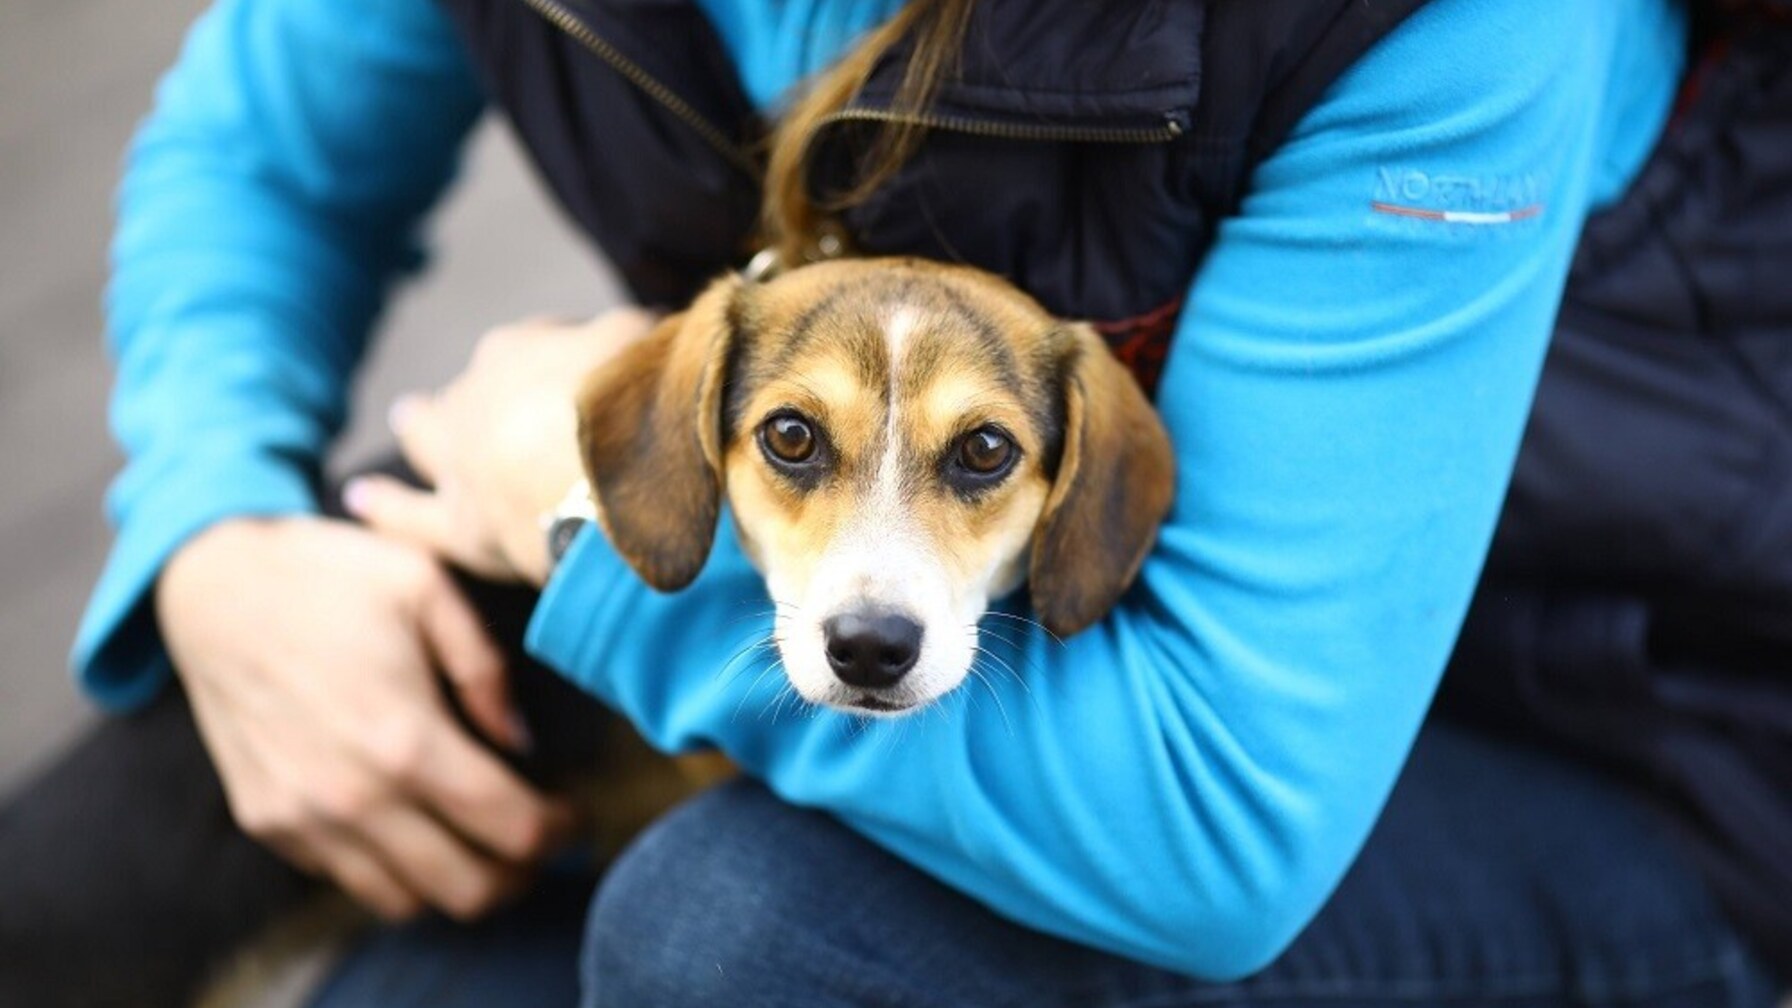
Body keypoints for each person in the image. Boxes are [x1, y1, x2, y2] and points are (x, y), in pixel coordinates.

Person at [2, 0, 1788, 1006]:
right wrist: (216, 535)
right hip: (996, 668)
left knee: (747, 942)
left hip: (1632, 762)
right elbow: (260, 158)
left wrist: (569, 513)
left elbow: (1223, 824)